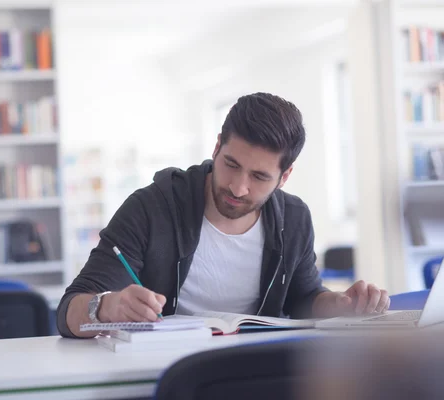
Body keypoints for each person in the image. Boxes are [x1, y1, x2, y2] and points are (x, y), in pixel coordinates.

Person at [57, 92, 390, 338]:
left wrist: (342, 305)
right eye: (231, 165)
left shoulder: (294, 218)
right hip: (167, 372)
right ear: (217, 147)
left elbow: (304, 299)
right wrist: (105, 307)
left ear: (284, 176)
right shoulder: (150, 208)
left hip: (255, 372)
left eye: (259, 177)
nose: (239, 188)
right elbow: (69, 311)